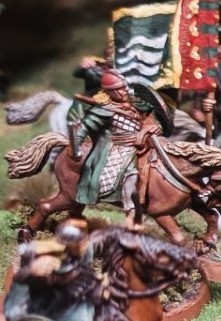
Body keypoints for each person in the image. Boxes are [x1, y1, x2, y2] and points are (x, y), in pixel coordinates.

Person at [69, 71, 166, 222]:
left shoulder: (136, 103)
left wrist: (154, 127)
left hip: (146, 143)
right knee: (130, 173)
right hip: (119, 147)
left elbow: (154, 121)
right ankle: (131, 210)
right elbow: (83, 129)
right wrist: (76, 145)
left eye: (124, 86)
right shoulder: (103, 110)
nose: (125, 90)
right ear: (109, 91)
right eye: (119, 88)